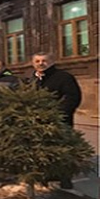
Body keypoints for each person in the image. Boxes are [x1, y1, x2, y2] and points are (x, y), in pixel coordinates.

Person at [28, 52, 82, 189]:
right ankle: (45, 176)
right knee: (41, 149)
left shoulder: (64, 77)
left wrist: (58, 113)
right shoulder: (30, 79)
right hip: (36, 121)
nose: (41, 63)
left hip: (59, 120)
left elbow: (72, 97)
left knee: (62, 150)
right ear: (33, 63)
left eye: (44, 60)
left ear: (52, 61)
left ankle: (65, 178)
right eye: (37, 61)